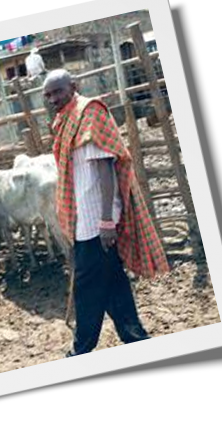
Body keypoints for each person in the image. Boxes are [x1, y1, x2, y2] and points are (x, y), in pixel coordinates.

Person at [42, 69, 170, 357]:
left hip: (94, 220)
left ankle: (80, 352)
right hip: (82, 219)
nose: (52, 99)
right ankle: (135, 337)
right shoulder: (66, 120)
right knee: (113, 280)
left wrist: (105, 221)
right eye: (47, 95)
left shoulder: (89, 113)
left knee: (87, 288)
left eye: (57, 92)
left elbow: (105, 169)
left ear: (73, 86)